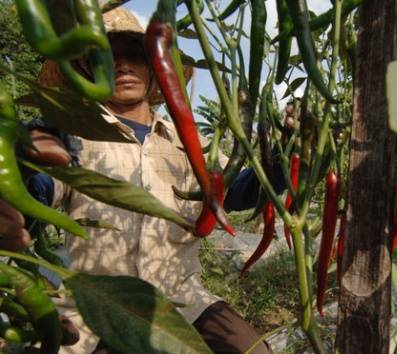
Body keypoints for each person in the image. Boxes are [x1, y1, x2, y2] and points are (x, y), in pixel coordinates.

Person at [0, 7, 280, 354]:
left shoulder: (185, 141)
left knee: (253, 351)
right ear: (87, 69)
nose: (123, 65)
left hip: (183, 298)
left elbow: (235, 191)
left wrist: (286, 161)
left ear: (155, 69)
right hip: (101, 305)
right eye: (107, 56)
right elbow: (41, 186)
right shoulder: (74, 134)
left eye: (135, 55)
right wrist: (19, 191)